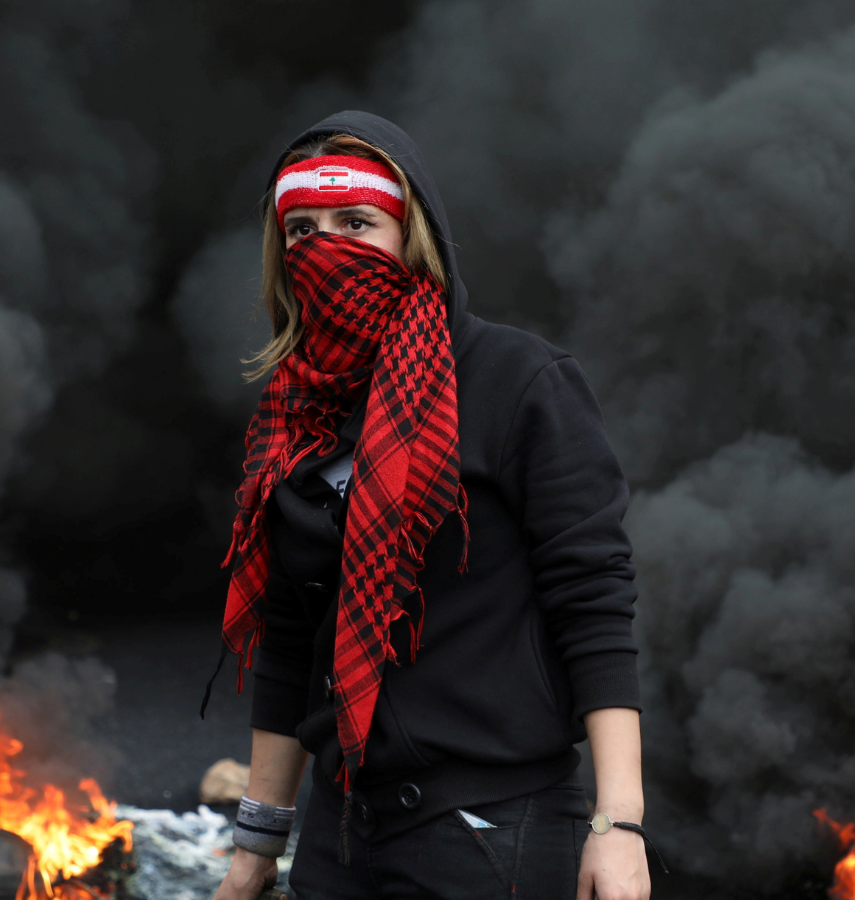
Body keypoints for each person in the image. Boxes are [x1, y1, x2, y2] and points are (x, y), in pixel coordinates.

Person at [209, 110, 651, 900]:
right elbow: (288, 641)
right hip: (340, 834)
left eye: (357, 222)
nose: (329, 248)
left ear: (412, 235)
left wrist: (619, 826)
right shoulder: (295, 416)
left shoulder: (516, 381)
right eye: (303, 230)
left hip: (491, 830)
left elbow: (593, 601)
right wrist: (256, 845)